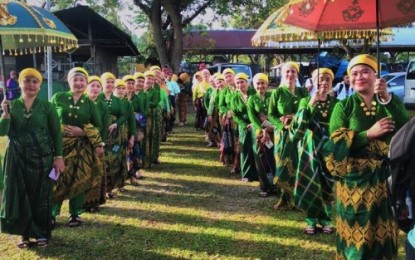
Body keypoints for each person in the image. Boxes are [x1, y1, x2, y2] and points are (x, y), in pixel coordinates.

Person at [323, 54, 408, 259]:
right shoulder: (343, 107)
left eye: (365, 72)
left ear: (376, 76)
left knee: (384, 236)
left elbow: (405, 131)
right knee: (356, 241)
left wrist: (386, 99)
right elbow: (333, 145)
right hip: (354, 184)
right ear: (349, 79)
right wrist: (368, 134)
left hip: (384, 181)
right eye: (354, 73)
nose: (359, 76)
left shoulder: (390, 102)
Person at [0, 68, 64, 248]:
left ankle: (42, 232)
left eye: (35, 81)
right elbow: (2, 132)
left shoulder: (47, 106)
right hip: (17, 158)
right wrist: (5, 115)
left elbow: (56, 134)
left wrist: (58, 157)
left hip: (42, 157)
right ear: (19, 83)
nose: (31, 85)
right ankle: (24, 234)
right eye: (26, 81)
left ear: (39, 85)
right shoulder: (11, 105)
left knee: (41, 196)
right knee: (21, 195)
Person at [51, 67, 104, 228]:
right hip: (59, 147)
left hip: (82, 148)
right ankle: (51, 214)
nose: (79, 83)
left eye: (82, 80)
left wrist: (82, 131)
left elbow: (99, 125)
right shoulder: (58, 97)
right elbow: (49, 120)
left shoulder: (89, 103)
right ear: (69, 81)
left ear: (86, 83)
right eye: (75, 79)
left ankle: (75, 214)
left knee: (80, 177)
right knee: (55, 179)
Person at [289, 68, 337, 235]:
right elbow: (298, 125)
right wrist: (311, 104)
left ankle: (326, 219)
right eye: (320, 79)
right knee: (310, 180)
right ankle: (310, 219)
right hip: (309, 148)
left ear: (332, 83)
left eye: (327, 80)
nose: (323, 82)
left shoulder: (336, 103)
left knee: (327, 182)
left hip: (328, 147)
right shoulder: (305, 100)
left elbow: (338, 125)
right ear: (314, 82)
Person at [268, 61, 309, 209]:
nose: (290, 74)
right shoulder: (277, 92)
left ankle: (297, 198)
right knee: (282, 164)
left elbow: (308, 110)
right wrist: (281, 125)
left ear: (297, 74)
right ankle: (283, 198)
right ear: (283, 74)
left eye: (293, 71)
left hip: (299, 134)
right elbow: (271, 114)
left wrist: (296, 119)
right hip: (283, 134)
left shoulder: (302, 92)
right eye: (287, 71)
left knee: (299, 164)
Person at [247, 73, 278, 197]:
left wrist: (269, 125)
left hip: (273, 131)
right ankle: (265, 186)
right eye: (258, 83)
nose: (261, 86)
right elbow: (253, 118)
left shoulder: (272, 96)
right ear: (254, 85)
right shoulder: (251, 99)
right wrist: (262, 129)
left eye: (263, 83)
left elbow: (275, 112)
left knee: (274, 158)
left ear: (267, 84)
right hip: (259, 134)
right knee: (261, 159)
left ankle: (276, 185)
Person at [99, 72, 127, 198]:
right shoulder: (97, 97)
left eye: (112, 82)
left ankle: (110, 189)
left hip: (115, 136)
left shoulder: (117, 100)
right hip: (100, 135)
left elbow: (123, 115)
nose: (110, 85)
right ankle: (101, 190)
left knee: (115, 158)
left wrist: (116, 124)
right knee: (102, 161)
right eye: (107, 82)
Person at [83, 75, 109, 213]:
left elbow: (104, 126)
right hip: (81, 142)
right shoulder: (81, 103)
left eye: (98, 86)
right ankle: (80, 203)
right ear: (87, 87)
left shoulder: (102, 105)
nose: (95, 88)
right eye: (92, 85)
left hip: (97, 143)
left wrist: (101, 144)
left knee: (97, 171)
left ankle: (94, 202)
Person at [231, 72, 258, 182]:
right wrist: (244, 124)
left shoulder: (254, 93)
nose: (240, 85)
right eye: (237, 83)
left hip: (256, 125)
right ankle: (246, 174)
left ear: (247, 82)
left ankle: (258, 173)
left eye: (242, 82)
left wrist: (254, 124)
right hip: (244, 127)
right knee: (245, 150)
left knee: (256, 149)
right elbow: (235, 114)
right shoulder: (235, 98)